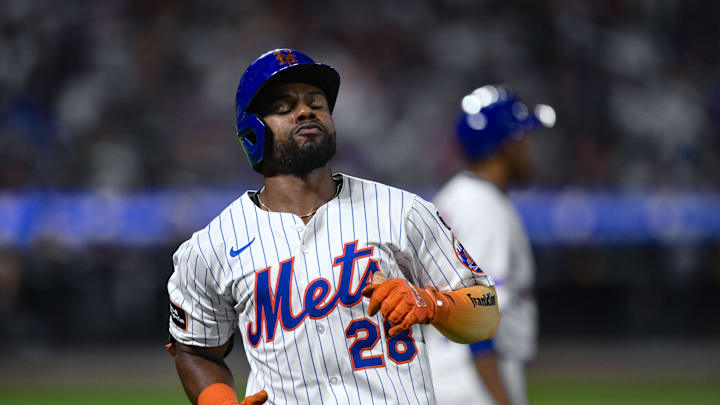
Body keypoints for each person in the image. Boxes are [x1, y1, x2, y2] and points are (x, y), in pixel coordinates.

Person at [165, 49, 500, 405]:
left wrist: (432, 303)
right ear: (252, 132)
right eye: (284, 107)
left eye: (316, 103)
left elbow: (485, 311)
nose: (306, 111)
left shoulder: (402, 211)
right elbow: (196, 350)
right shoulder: (211, 246)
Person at [424, 85, 556, 405]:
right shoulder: (486, 209)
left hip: (442, 375)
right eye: (524, 138)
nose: (529, 148)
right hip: (471, 384)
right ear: (507, 146)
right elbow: (477, 316)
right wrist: (502, 399)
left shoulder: (453, 196)